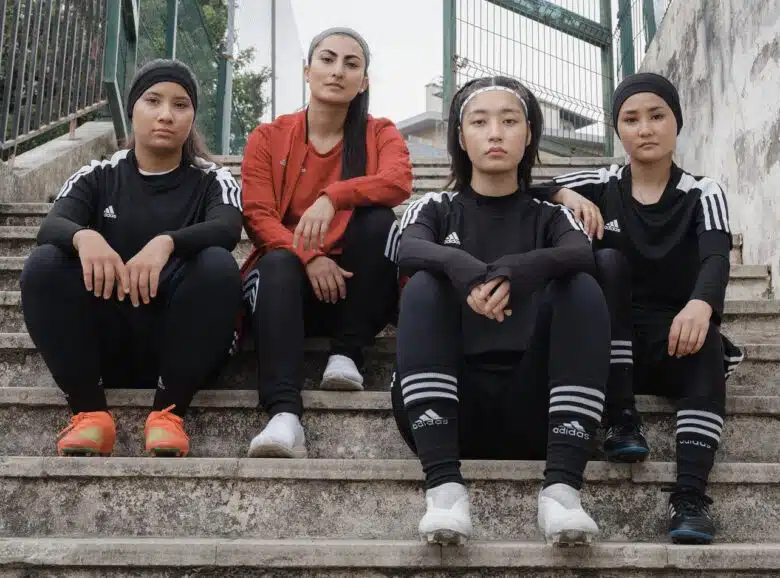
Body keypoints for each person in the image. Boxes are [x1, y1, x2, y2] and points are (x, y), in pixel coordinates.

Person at [392, 76, 610, 547]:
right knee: (424, 284)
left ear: (528, 135)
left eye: (509, 121)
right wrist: (465, 270)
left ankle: (563, 491)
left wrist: (517, 269)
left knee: (583, 286)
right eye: (480, 121)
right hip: (451, 410)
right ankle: (445, 491)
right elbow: (407, 248)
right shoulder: (435, 207)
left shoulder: (550, 215)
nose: (495, 133)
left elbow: (580, 253)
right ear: (460, 135)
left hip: (537, 410)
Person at [538, 72, 743, 544]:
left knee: (708, 344)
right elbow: (528, 189)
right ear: (619, 130)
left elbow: (715, 257)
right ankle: (621, 417)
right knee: (606, 263)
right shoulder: (602, 182)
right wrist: (562, 193)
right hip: (611, 350)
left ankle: (689, 499)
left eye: (657, 116)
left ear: (677, 123)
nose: (645, 128)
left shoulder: (702, 192)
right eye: (631, 119)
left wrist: (701, 305)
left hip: (676, 338)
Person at [20, 59, 243, 458]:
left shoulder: (213, 179)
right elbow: (52, 225)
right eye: (153, 101)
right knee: (44, 264)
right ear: (132, 109)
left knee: (217, 265)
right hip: (109, 345)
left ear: (192, 117)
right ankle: (90, 415)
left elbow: (227, 229)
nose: (165, 115)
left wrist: (167, 242)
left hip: (181, 346)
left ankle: (168, 414)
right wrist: (85, 237)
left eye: (180, 105)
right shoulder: (99, 174)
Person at [240, 27, 412, 459]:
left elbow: (398, 181)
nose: (337, 71)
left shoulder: (379, 132)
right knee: (278, 263)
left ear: (364, 81)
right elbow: (258, 216)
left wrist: (333, 196)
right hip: (288, 292)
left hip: (357, 289)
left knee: (377, 221)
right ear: (308, 69)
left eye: (351, 64)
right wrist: (309, 257)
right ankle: (284, 414)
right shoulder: (269, 137)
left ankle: (347, 354)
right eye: (327, 59)